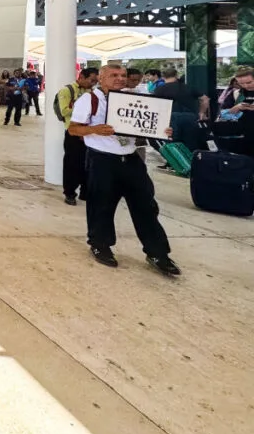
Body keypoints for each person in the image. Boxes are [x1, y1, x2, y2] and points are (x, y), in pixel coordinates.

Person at [69, 65, 179, 276]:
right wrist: (94, 130)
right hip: (102, 159)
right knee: (101, 205)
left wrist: (160, 129)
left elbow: (145, 126)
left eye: (123, 75)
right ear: (101, 78)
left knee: (146, 206)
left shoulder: (134, 98)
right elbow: (74, 129)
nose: (120, 79)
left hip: (130, 158)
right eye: (114, 75)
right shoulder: (89, 100)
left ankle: (158, 253)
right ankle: (100, 244)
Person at [54, 68, 98, 206]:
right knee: (72, 164)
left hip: (89, 133)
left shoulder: (92, 92)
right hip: (73, 133)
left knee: (89, 163)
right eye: (91, 80)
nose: (93, 84)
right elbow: (64, 110)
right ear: (81, 76)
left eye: (95, 81)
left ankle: (86, 191)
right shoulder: (67, 91)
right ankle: (70, 193)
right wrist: (85, 108)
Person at [153, 68, 209, 153]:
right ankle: (192, 163)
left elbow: (155, 106)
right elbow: (205, 99)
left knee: (173, 145)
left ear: (163, 77)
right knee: (191, 144)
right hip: (190, 117)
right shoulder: (188, 87)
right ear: (176, 75)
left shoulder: (159, 89)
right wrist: (202, 112)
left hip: (170, 119)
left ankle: (175, 164)